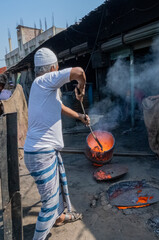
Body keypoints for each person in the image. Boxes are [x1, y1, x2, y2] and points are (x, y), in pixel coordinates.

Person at [24, 47, 90, 240]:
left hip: (44, 153)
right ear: (53, 68)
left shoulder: (42, 87)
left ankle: (60, 217)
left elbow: (59, 106)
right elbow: (80, 72)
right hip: (41, 154)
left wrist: (80, 116)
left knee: (57, 191)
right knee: (49, 205)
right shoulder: (45, 80)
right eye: (57, 67)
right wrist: (81, 87)